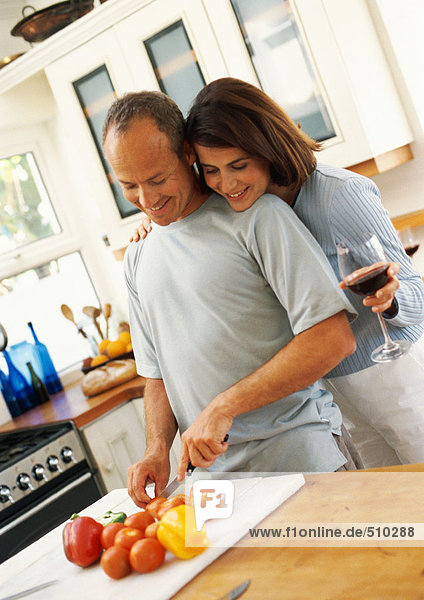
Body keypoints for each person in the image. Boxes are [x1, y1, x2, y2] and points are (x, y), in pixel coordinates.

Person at [102, 91, 359, 507]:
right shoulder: (138, 258)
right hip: (214, 492)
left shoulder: (260, 217)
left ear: (188, 153)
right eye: (129, 186)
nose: (147, 201)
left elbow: (332, 339)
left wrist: (226, 405)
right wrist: (156, 448)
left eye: (158, 179)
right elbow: (157, 375)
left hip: (303, 460)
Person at [179, 77, 424, 468]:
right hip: (341, 392)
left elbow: (417, 293)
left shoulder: (339, 195)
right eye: (211, 171)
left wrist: (391, 300)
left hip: (399, 376)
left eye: (238, 165)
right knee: (396, 514)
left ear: (267, 147)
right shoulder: (250, 214)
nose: (226, 184)